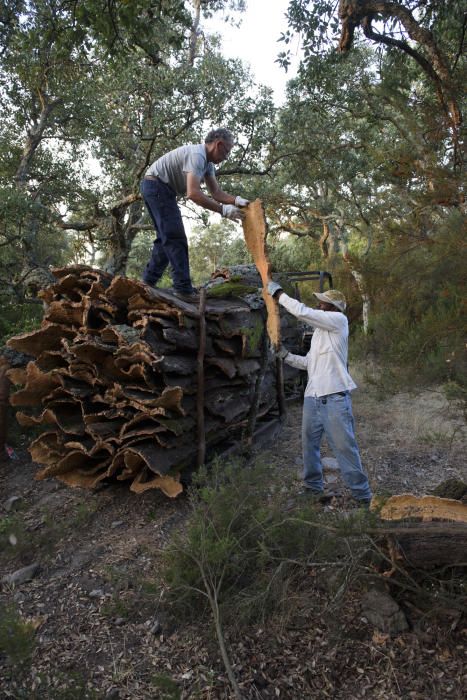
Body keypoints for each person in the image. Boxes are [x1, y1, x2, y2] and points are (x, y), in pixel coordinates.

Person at [267, 281, 373, 507]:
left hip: (334, 397)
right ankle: (313, 488)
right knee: (309, 445)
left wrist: (279, 294)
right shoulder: (319, 334)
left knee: (344, 448)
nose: (318, 306)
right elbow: (310, 363)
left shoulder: (339, 321)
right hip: (313, 397)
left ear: (332, 307)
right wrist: (285, 355)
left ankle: (363, 498)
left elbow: (303, 312)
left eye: (322, 303)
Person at [141, 128, 249, 299]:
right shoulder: (197, 155)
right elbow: (193, 193)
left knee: (165, 238)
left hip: (157, 187)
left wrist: (236, 200)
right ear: (218, 144)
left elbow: (216, 193)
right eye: (227, 151)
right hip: (156, 186)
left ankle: (147, 281)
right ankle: (183, 289)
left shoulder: (208, 164)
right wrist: (222, 210)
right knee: (175, 237)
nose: (227, 157)